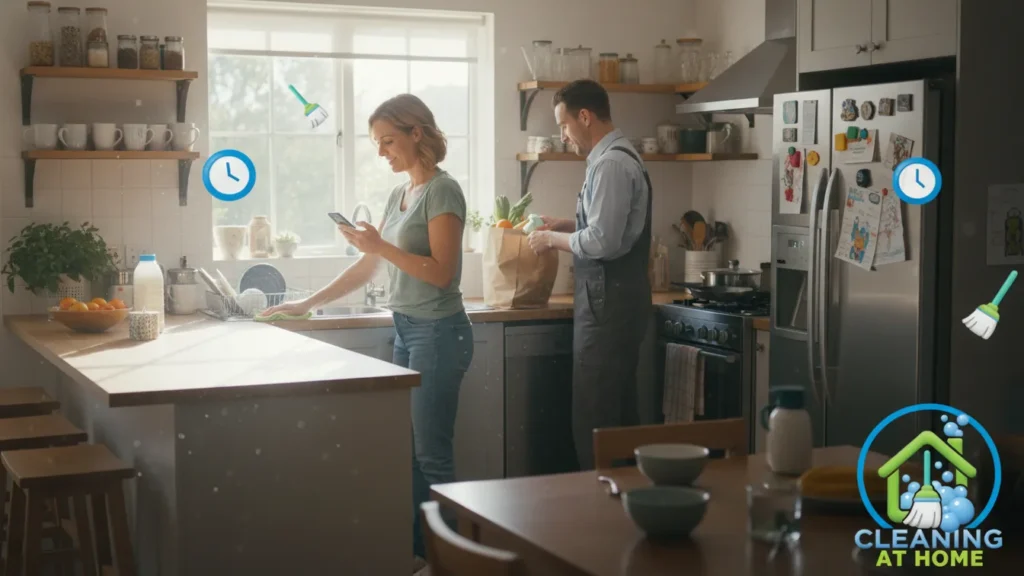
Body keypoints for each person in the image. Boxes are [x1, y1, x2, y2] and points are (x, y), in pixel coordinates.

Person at [260, 93, 473, 573]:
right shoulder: (398, 196)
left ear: (417, 134)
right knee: (413, 457)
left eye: (388, 141)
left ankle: (455, 565)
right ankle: (424, 555)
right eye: (377, 143)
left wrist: (380, 244)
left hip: (439, 333)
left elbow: (442, 273)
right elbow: (370, 266)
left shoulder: (444, 191)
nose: (381, 152)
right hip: (407, 329)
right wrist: (306, 303)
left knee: (433, 456)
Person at [526, 79, 652, 471]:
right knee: (611, 413)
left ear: (585, 116)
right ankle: (618, 507)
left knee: (598, 418)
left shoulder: (612, 163)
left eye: (564, 125)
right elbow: (606, 228)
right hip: (610, 302)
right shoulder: (611, 158)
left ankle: (600, 509)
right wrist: (565, 223)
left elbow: (601, 240)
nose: (564, 136)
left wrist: (549, 238)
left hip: (608, 305)